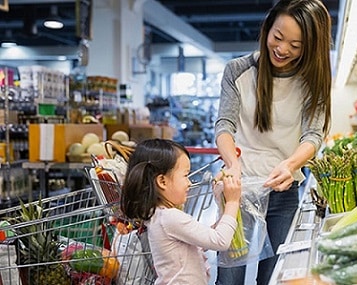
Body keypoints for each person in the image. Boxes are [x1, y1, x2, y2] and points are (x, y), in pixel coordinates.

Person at [214, 0, 332, 284]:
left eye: (296, 44)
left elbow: (313, 135)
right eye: (277, 37)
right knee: (230, 278)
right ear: (267, 28)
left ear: (311, 46)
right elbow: (224, 124)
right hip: (237, 190)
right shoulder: (238, 70)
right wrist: (233, 163)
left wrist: (290, 165)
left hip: (283, 190)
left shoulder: (311, 80)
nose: (282, 49)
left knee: (275, 277)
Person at [120, 138, 242, 285]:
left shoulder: (160, 214)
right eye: (185, 175)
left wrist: (224, 209)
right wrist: (233, 202)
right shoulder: (170, 217)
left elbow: (202, 239)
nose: (189, 182)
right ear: (162, 181)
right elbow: (220, 241)